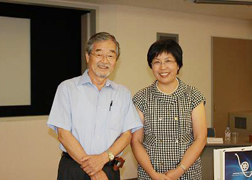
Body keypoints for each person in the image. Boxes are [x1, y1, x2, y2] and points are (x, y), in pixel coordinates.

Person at [47, 32, 142, 180]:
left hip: (109, 169)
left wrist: (103, 158)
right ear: (87, 56)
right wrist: (94, 170)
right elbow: (63, 134)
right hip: (73, 169)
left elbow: (127, 135)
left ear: (116, 60)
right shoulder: (67, 88)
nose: (105, 60)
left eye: (110, 56)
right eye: (99, 54)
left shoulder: (123, 93)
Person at [131, 39, 207, 180]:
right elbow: (136, 141)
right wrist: (153, 174)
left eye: (168, 61)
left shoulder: (193, 95)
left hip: (187, 173)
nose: (163, 67)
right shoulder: (141, 97)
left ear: (178, 65)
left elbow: (200, 138)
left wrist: (179, 170)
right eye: (157, 62)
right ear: (151, 66)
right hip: (150, 174)